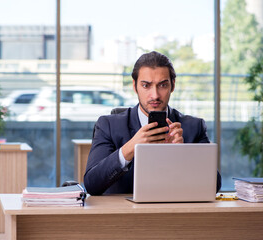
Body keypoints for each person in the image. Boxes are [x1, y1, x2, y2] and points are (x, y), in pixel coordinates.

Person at [84, 51, 222, 195]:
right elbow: (92, 185)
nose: (155, 95)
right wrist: (130, 148)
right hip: (125, 214)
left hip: (176, 213)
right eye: (146, 86)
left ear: (172, 86)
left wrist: (183, 154)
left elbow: (215, 185)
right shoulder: (108, 125)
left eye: (162, 85)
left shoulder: (194, 127)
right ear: (134, 86)